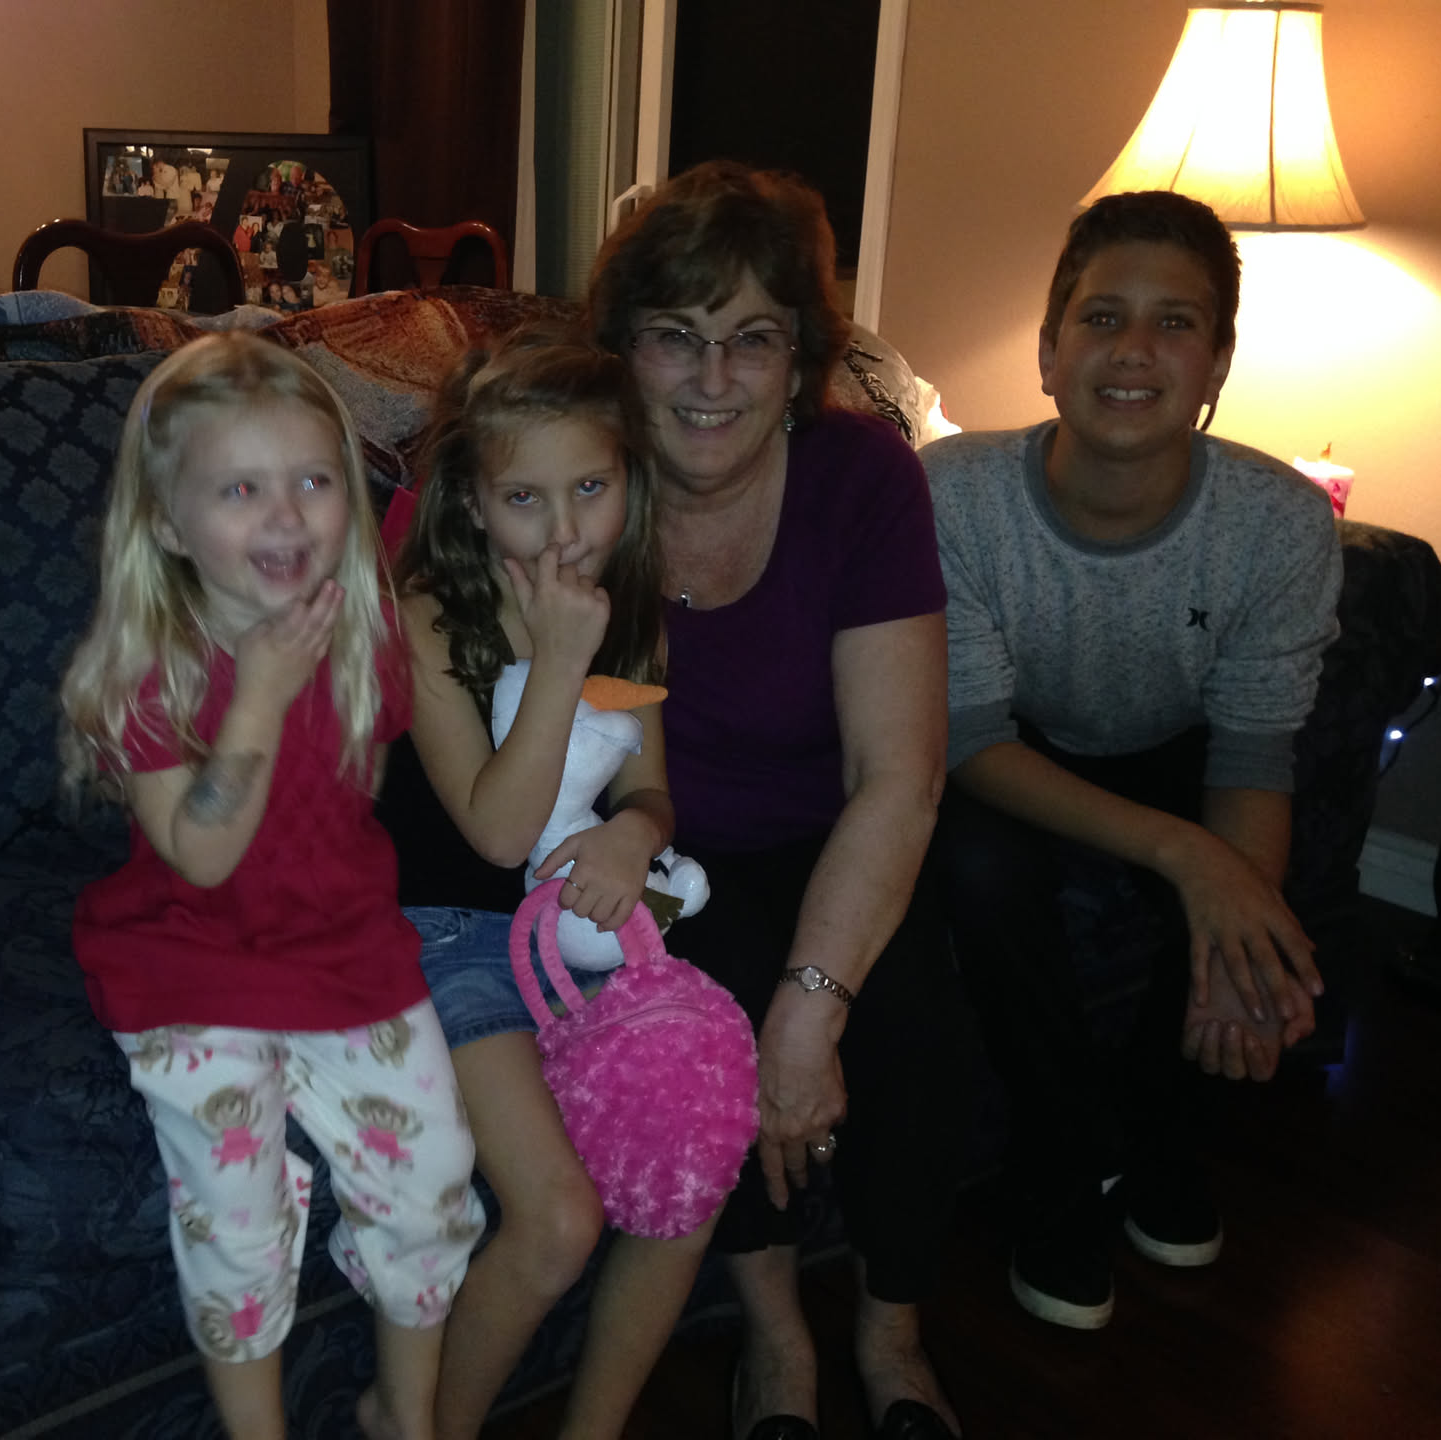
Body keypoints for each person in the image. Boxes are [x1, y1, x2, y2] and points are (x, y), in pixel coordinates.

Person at [585, 160, 970, 1440]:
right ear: (623, 347)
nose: (713, 377)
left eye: (752, 338)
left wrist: (815, 1008)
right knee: (707, 1025)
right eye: (675, 336)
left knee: (911, 1021)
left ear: (800, 355)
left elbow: (900, 776)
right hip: (654, 847)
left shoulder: (865, 478)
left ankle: (892, 1328)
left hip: (834, 826)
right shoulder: (574, 477)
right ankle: (774, 1334)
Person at [922, 191, 1341, 1331]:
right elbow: (969, 739)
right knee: (975, 864)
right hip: (1013, 749)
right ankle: (1060, 1159)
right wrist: (1188, 857)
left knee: (1265, 879)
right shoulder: (954, 493)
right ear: (1049, 351)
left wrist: (1236, 934)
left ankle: (1162, 1129)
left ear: (1217, 365)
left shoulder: (1281, 523)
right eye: (1103, 318)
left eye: (1176, 323)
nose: (1134, 351)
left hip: (1181, 743)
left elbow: (1254, 748)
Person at [58, 333, 484, 1440]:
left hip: (345, 948)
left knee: (434, 1177)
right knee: (234, 1216)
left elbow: (355, 786)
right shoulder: (150, 667)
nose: (288, 517)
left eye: (314, 482)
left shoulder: (362, 633)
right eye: (241, 490)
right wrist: (259, 694)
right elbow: (201, 856)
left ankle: (405, 1414)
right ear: (167, 523)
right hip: (192, 963)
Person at [384, 327, 718, 1440]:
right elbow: (497, 831)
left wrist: (635, 835)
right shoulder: (429, 617)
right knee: (559, 1220)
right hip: (441, 933)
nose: (565, 528)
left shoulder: (631, 610)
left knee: (689, 1150)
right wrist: (564, 657)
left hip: (569, 927)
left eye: (590, 488)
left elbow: (650, 792)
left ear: (631, 482)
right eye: (525, 498)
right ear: (473, 504)